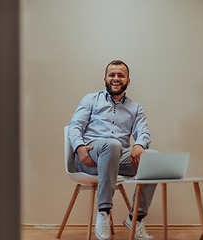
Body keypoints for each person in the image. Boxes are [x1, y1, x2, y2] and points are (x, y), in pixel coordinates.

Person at [68, 60, 157, 240]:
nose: (116, 78)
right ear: (105, 79)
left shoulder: (135, 108)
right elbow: (75, 126)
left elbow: (144, 133)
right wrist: (79, 148)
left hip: (116, 159)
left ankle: (136, 218)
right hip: (89, 156)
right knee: (113, 144)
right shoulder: (91, 100)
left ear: (128, 81)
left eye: (120, 75)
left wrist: (139, 144)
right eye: (112, 75)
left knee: (154, 160)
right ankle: (104, 212)